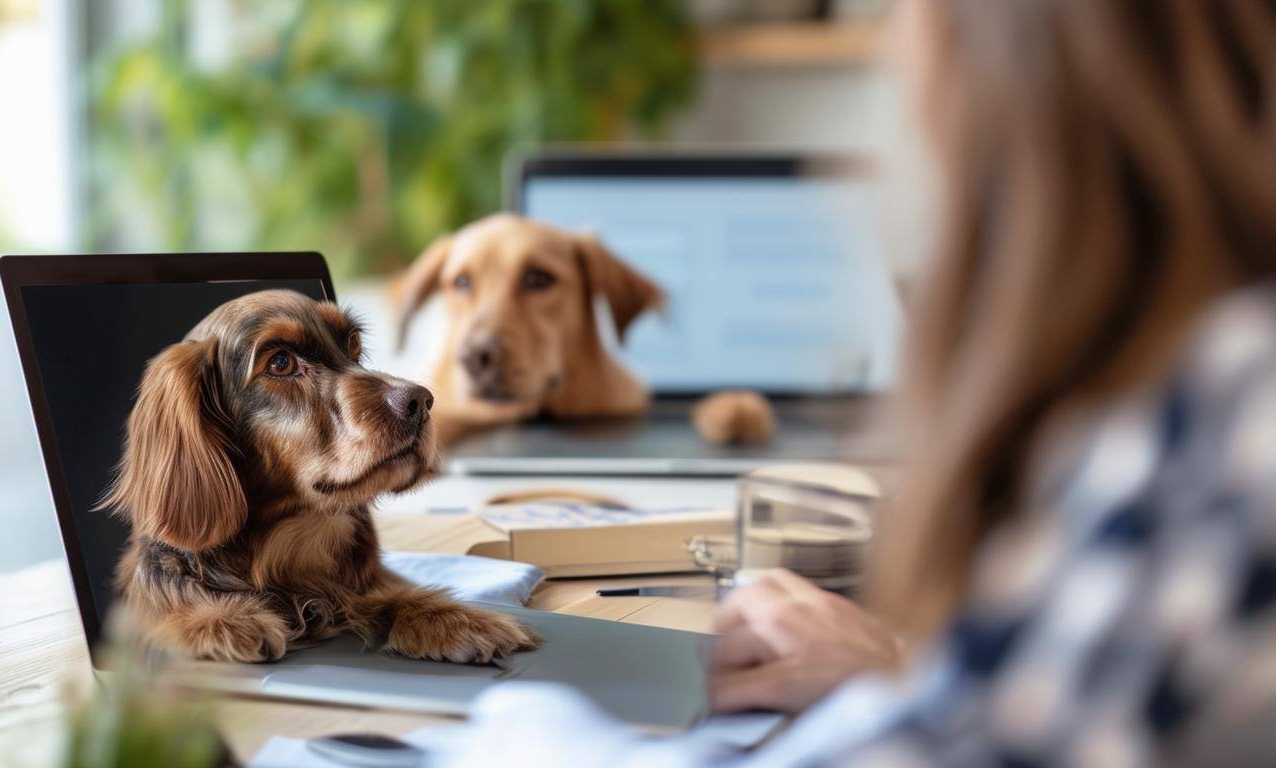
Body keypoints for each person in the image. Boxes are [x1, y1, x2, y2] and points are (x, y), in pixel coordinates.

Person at [428, 0, 1276, 764]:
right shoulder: (1185, 395)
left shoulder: (1224, 417)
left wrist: (527, 734)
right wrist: (896, 667)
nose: (901, 66)